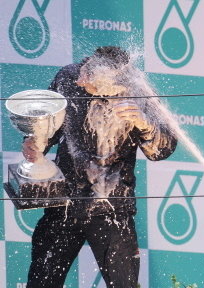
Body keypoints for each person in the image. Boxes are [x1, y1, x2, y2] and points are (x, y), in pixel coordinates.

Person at [23, 46, 179, 288]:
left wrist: (144, 123)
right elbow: (46, 123)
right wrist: (34, 141)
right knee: (41, 281)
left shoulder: (140, 96)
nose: (80, 80)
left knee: (123, 284)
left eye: (88, 79)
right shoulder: (67, 76)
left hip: (112, 207)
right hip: (64, 200)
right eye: (83, 71)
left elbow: (162, 150)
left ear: (113, 83)